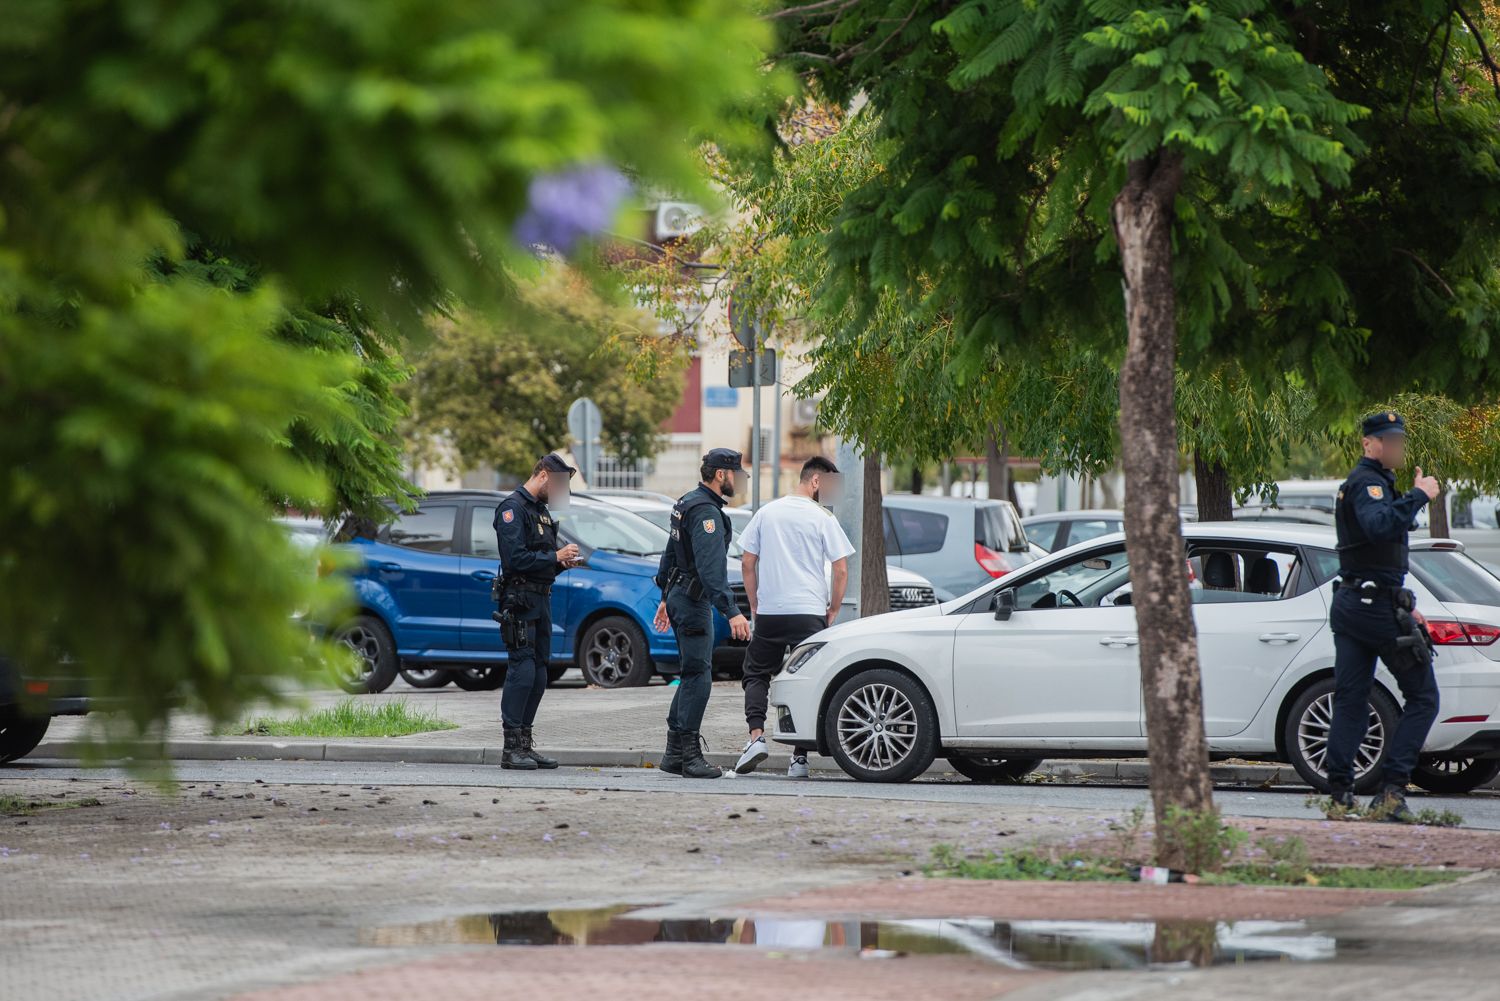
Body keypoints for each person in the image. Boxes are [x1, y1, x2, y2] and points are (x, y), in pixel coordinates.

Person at [1326, 411, 1442, 820]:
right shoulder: (1367, 484)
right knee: (1424, 697)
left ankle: (1340, 795)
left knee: (1352, 699)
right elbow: (1378, 527)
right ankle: (1391, 793)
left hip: (1359, 602)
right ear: (1368, 444)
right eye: (1388, 441)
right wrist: (1419, 496)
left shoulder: (1373, 483)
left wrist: (1405, 601)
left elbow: (1385, 536)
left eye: (1399, 441)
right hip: (1372, 609)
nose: (1395, 448)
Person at [733, 456, 853, 777]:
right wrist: (833, 609)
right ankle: (799, 758)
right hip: (810, 612)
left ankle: (756, 738)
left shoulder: (766, 513)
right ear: (815, 482)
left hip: (772, 611)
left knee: (756, 674)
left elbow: (747, 562)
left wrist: (755, 602)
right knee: (806, 680)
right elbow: (841, 569)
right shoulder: (822, 518)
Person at [653, 449, 753, 779]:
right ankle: (691, 756)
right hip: (694, 602)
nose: (740, 480)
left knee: (690, 673)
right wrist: (733, 611)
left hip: (681, 596)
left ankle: (673, 754)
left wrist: (666, 597)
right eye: (737, 474)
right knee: (699, 677)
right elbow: (711, 571)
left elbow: (671, 555)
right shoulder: (707, 512)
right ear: (722, 475)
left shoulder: (686, 503)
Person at [494, 453, 583, 770]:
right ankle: (510, 748)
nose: (561, 491)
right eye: (559, 483)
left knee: (541, 671)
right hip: (518, 601)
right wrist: (554, 555)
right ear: (544, 475)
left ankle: (525, 743)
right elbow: (515, 560)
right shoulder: (512, 510)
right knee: (523, 670)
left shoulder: (541, 512)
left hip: (541, 599)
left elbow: (541, 563)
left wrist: (559, 563)